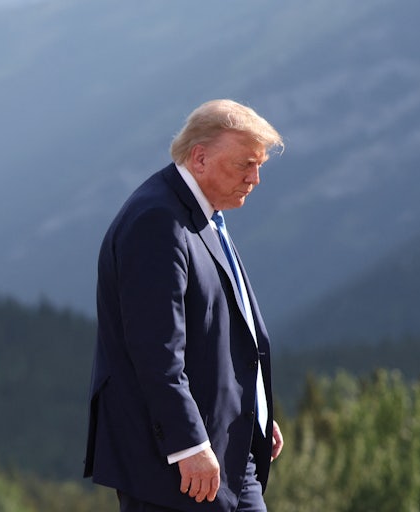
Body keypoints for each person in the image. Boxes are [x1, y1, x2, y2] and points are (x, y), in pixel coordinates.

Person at [83, 99, 285, 512]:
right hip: (174, 469)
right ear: (200, 158)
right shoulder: (158, 221)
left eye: (259, 165)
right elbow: (156, 351)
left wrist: (253, 411)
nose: (255, 178)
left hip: (223, 452)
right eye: (245, 164)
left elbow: (215, 333)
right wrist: (188, 444)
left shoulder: (200, 214)